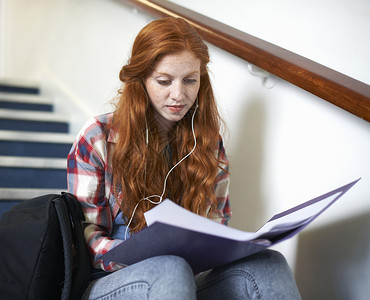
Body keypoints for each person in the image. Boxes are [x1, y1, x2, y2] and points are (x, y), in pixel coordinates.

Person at [67, 17, 301, 299]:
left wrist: (227, 246)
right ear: (140, 79)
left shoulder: (209, 143)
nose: (179, 95)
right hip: (109, 279)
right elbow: (86, 241)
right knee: (170, 267)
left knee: (268, 263)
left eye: (190, 80)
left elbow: (217, 224)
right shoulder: (98, 138)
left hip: (184, 277)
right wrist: (150, 253)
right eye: (164, 81)